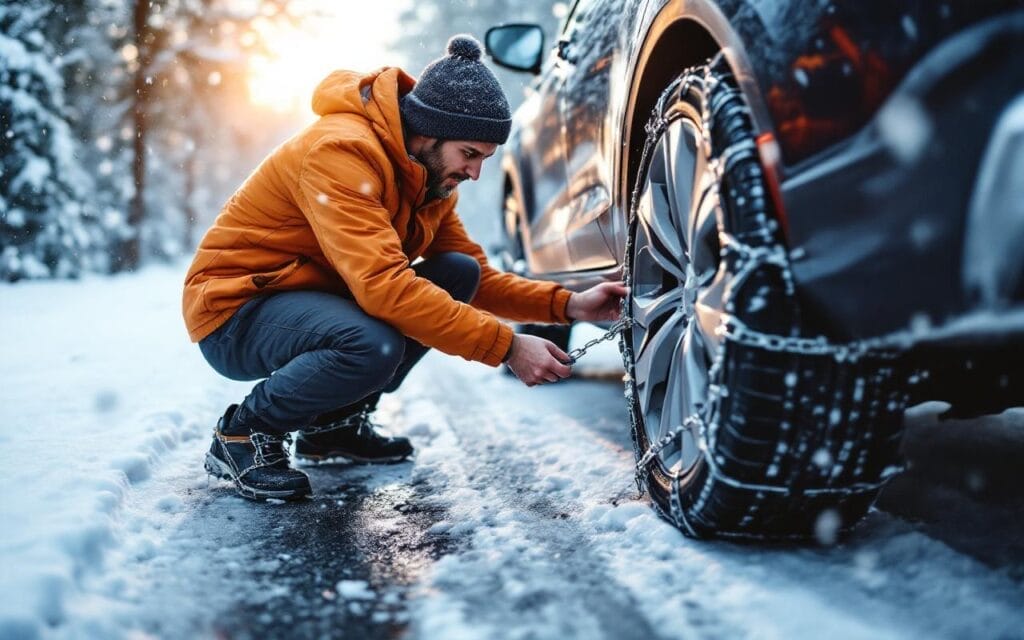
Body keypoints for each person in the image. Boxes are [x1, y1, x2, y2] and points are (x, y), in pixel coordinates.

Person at [182, 34, 627, 502]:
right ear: (427, 132)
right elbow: (382, 287)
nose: (474, 174)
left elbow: (479, 278)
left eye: (484, 160)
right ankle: (242, 434)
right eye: (469, 154)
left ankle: (334, 427)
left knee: (457, 271)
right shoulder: (341, 153)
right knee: (371, 344)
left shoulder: (428, 179)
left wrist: (571, 305)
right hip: (236, 311)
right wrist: (507, 347)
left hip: (310, 300)